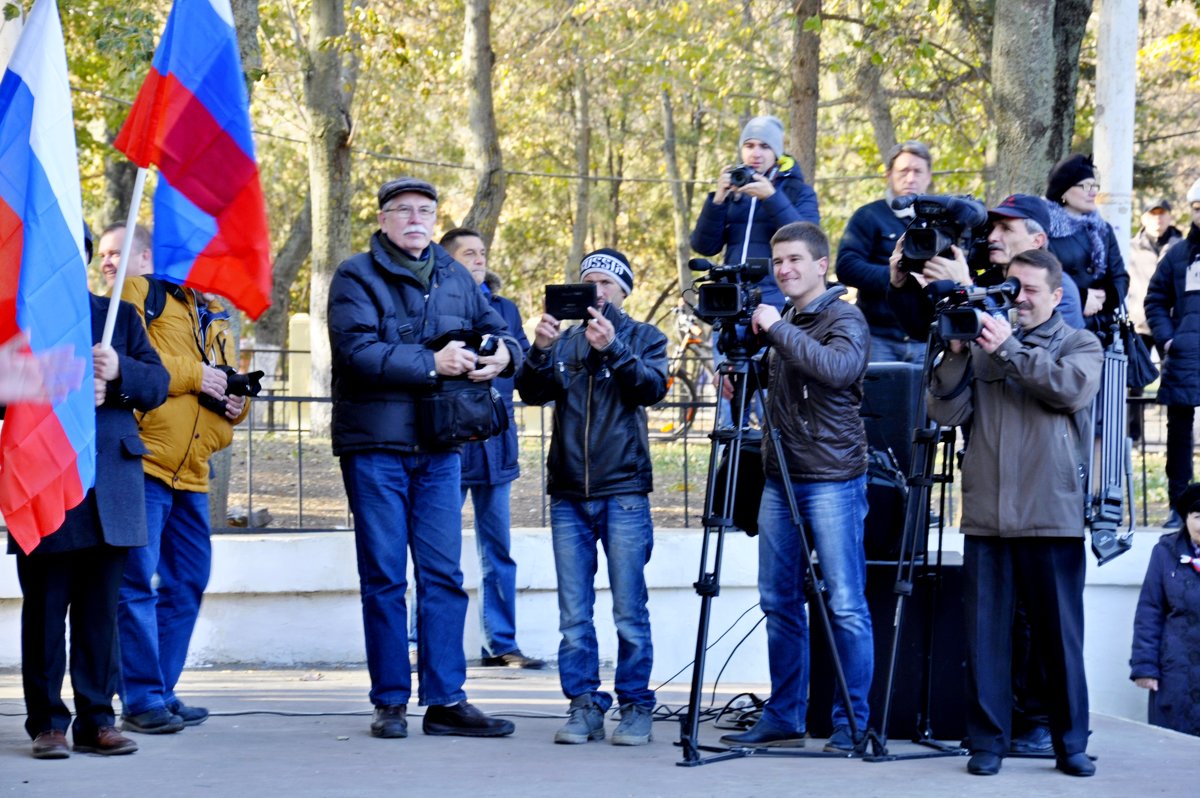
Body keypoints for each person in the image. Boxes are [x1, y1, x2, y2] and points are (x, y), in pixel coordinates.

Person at [328, 177, 521, 740]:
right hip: (376, 448)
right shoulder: (354, 275)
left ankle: (445, 702)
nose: (416, 219)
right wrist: (436, 362)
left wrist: (500, 356)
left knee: (444, 576)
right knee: (385, 577)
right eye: (403, 211)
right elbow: (358, 352)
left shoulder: (454, 274)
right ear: (383, 220)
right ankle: (389, 701)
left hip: (441, 447)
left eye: (425, 211)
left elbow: (499, 332)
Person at [927, 248, 1102, 777]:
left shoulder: (1080, 343)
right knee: (985, 639)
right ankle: (987, 742)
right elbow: (943, 410)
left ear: (1055, 296)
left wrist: (1010, 348)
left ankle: (1070, 743)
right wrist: (956, 352)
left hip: (1051, 512)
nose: (1017, 297)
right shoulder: (984, 346)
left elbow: (1068, 391)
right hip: (987, 514)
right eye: (1012, 286)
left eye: (1029, 289)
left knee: (1059, 639)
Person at [717, 222, 873, 753]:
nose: (783, 269)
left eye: (795, 260)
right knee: (778, 601)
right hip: (780, 478)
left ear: (821, 264)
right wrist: (742, 375)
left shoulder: (844, 317)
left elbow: (838, 368)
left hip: (832, 479)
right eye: (778, 260)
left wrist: (777, 332)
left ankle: (852, 725)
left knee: (846, 604)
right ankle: (785, 716)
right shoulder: (786, 319)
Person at [515, 248, 668, 746]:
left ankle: (636, 705)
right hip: (568, 494)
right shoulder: (565, 339)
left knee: (629, 609)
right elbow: (533, 393)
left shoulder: (645, 336)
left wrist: (615, 350)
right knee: (574, 614)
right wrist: (538, 349)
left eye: (605, 282)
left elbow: (650, 389)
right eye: (587, 282)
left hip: (623, 490)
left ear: (623, 290)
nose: (595, 291)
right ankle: (583, 705)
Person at [10, 278, 169, 759]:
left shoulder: (118, 313)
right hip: (46, 477)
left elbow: (157, 386)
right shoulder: (19, 314)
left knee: (101, 613)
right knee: (45, 611)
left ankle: (98, 719)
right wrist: (48, 386)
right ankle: (48, 724)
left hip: (110, 481)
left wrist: (119, 375)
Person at [109, 222, 251, 734]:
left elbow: (225, 382)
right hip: (144, 461)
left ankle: (162, 691)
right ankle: (141, 697)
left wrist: (236, 403)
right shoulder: (138, 291)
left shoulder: (214, 316)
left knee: (187, 583)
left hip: (193, 472)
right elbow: (128, 362)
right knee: (134, 585)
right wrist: (198, 376)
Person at [439, 226, 542, 669]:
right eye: (468, 253)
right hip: (445, 443)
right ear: (447, 261)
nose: (478, 260)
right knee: (435, 548)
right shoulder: (434, 305)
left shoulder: (504, 309)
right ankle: (417, 643)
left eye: (482, 253)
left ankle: (500, 644)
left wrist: (522, 351)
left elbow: (516, 363)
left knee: (497, 549)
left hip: (496, 444)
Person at [886, 194, 1085, 338]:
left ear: (1037, 240)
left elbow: (1027, 352)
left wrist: (964, 287)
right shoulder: (989, 280)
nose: (992, 237)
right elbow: (924, 330)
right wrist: (901, 285)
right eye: (993, 227)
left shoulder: (1057, 289)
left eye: (1006, 229)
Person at [689, 114, 820, 310]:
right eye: (749, 146)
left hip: (776, 301)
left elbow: (808, 242)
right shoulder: (733, 190)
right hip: (729, 302)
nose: (756, 153)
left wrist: (771, 198)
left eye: (764, 146)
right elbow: (704, 246)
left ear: (777, 152)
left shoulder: (799, 191)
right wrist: (717, 202)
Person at [836, 140, 935, 362]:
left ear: (929, 176)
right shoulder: (868, 216)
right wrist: (894, 277)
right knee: (881, 397)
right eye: (903, 171)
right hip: (878, 338)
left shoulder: (942, 222)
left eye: (917, 171)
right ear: (888, 174)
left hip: (928, 339)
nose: (910, 178)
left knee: (927, 398)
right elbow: (846, 267)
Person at [1144, 180, 1200, 529]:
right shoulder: (1178, 255)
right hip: (1184, 357)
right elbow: (1155, 300)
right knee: (1179, 435)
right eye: (1196, 207)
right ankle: (1180, 508)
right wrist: (1167, 340)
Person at [1129, 483, 1200, 737]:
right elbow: (1149, 611)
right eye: (1197, 516)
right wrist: (1145, 667)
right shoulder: (1164, 553)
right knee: (1172, 745)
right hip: (1176, 672)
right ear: (1186, 518)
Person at [1044, 154, 1129, 338]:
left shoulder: (1103, 229)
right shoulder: (1046, 230)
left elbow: (1120, 276)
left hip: (1106, 330)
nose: (1093, 192)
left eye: (1094, 186)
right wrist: (1081, 299)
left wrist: (1105, 297)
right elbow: (1043, 280)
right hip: (1065, 329)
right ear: (1064, 191)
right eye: (1085, 186)